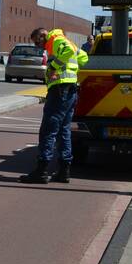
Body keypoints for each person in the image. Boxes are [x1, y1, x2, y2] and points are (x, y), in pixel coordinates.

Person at [20, 27, 87, 184]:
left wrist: (53, 68)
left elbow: (69, 51)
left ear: (44, 35)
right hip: (70, 90)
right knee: (64, 131)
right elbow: (83, 58)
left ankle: (41, 171)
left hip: (60, 90)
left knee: (48, 130)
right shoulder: (63, 41)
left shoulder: (56, 40)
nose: (38, 46)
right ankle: (64, 171)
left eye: (38, 42)